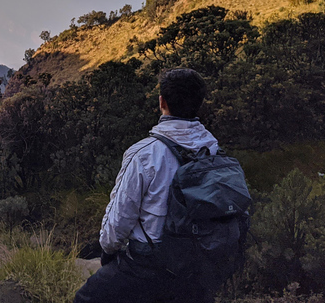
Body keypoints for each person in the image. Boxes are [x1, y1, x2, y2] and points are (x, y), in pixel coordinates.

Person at [74, 68, 218, 303]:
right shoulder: (213, 149)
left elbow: (116, 227)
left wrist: (108, 254)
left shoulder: (144, 154)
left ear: (162, 102)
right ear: (199, 104)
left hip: (150, 266)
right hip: (199, 264)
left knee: (85, 298)